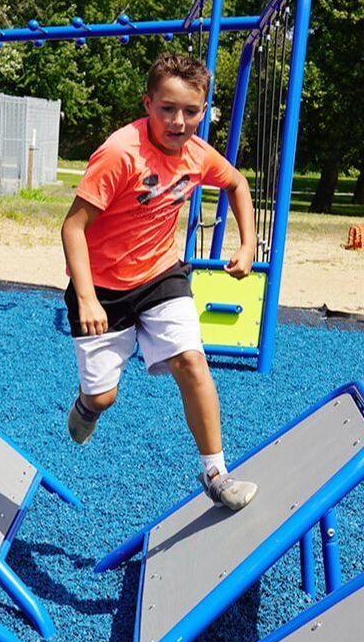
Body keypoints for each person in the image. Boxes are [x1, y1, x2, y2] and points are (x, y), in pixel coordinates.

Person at [61, 52, 258, 512]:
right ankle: (87, 407)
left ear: (204, 111)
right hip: (104, 288)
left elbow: (237, 183)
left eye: (191, 111)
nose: (178, 121)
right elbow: (73, 227)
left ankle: (215, 472)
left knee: (191, 360)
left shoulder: (198, 154)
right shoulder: (119, 153)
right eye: (167, 108)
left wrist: (248, 244)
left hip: (160, 275)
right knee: (103, 395)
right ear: (148, 103)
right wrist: (87, 298)